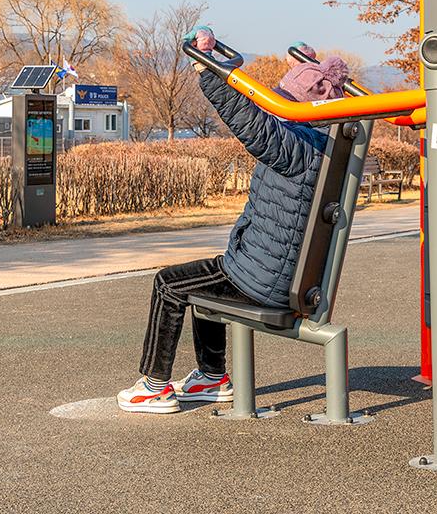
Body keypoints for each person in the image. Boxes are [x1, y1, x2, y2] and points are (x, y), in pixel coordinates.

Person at [118, 27, 348, 413]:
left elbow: (251, 122)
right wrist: (305, 68)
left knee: (169, 284)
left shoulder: (296, 148)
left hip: (264, 281)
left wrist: (207, 71)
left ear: (302, 109)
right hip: (280, 274)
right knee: (208, 275)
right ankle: (211, 377)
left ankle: (154, 386)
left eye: (287, 99)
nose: (279, 104)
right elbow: (281, 109)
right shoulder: (325, 143)